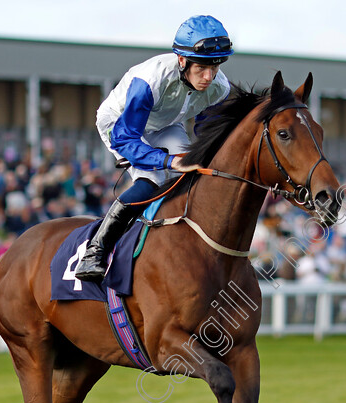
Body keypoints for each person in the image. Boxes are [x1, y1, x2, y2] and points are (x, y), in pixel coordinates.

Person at [74, 15, 234, 281]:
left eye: (215, 67)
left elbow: (208, 133)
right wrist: (167, 161)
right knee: (153, 179)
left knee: (191, 173)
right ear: (182, 60)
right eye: (202, 68)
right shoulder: (151, 80)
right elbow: (126, 139)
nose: (208, 76)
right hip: (122, 125)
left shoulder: (218, 88)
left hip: (166, 123)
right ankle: (95, 252)